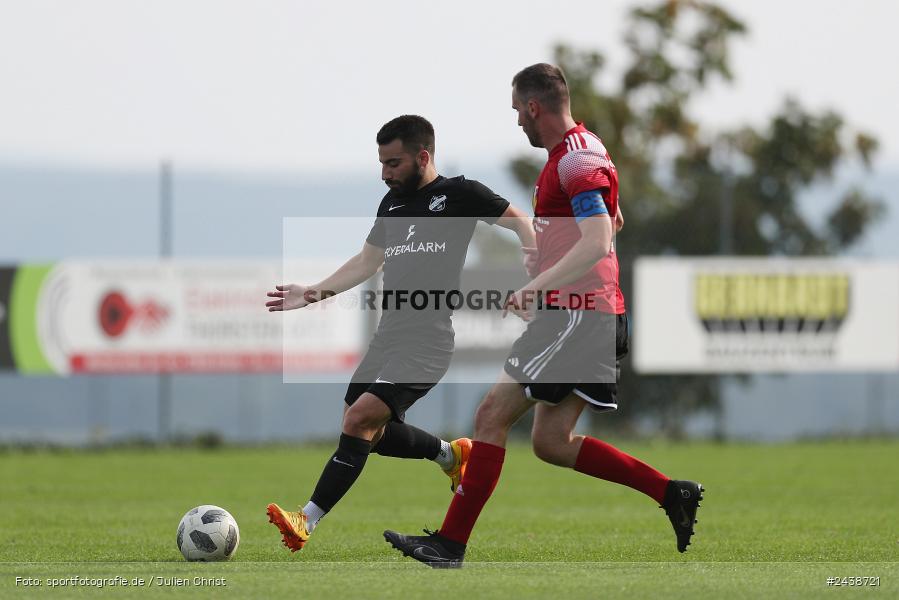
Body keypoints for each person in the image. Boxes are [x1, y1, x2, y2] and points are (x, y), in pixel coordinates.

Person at [384, 65, 703, 568]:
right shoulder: (582, 150)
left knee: (490, 415)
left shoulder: (574, 159)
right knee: (551, 443)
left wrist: (538, 284)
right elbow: (613, 221)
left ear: (534, 107)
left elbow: (599, 238)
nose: (517, 123)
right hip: (591, 313)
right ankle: (671, 492)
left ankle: (449, 545)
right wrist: (552, 261)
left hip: (579, 314)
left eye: (517, 111)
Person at [265, 115, 536, 552]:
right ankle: (451, 455)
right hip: (387, 337)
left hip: (427, 343)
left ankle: (306, 521)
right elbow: (367, 262)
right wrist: (312, 293)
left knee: (358, 422)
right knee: (363, 430)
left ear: (422, 157)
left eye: (393, 163)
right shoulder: (389, 205)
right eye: (381, 163)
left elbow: (520, 220)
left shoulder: (459, 194)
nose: (384, 173)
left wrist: (534, 271)